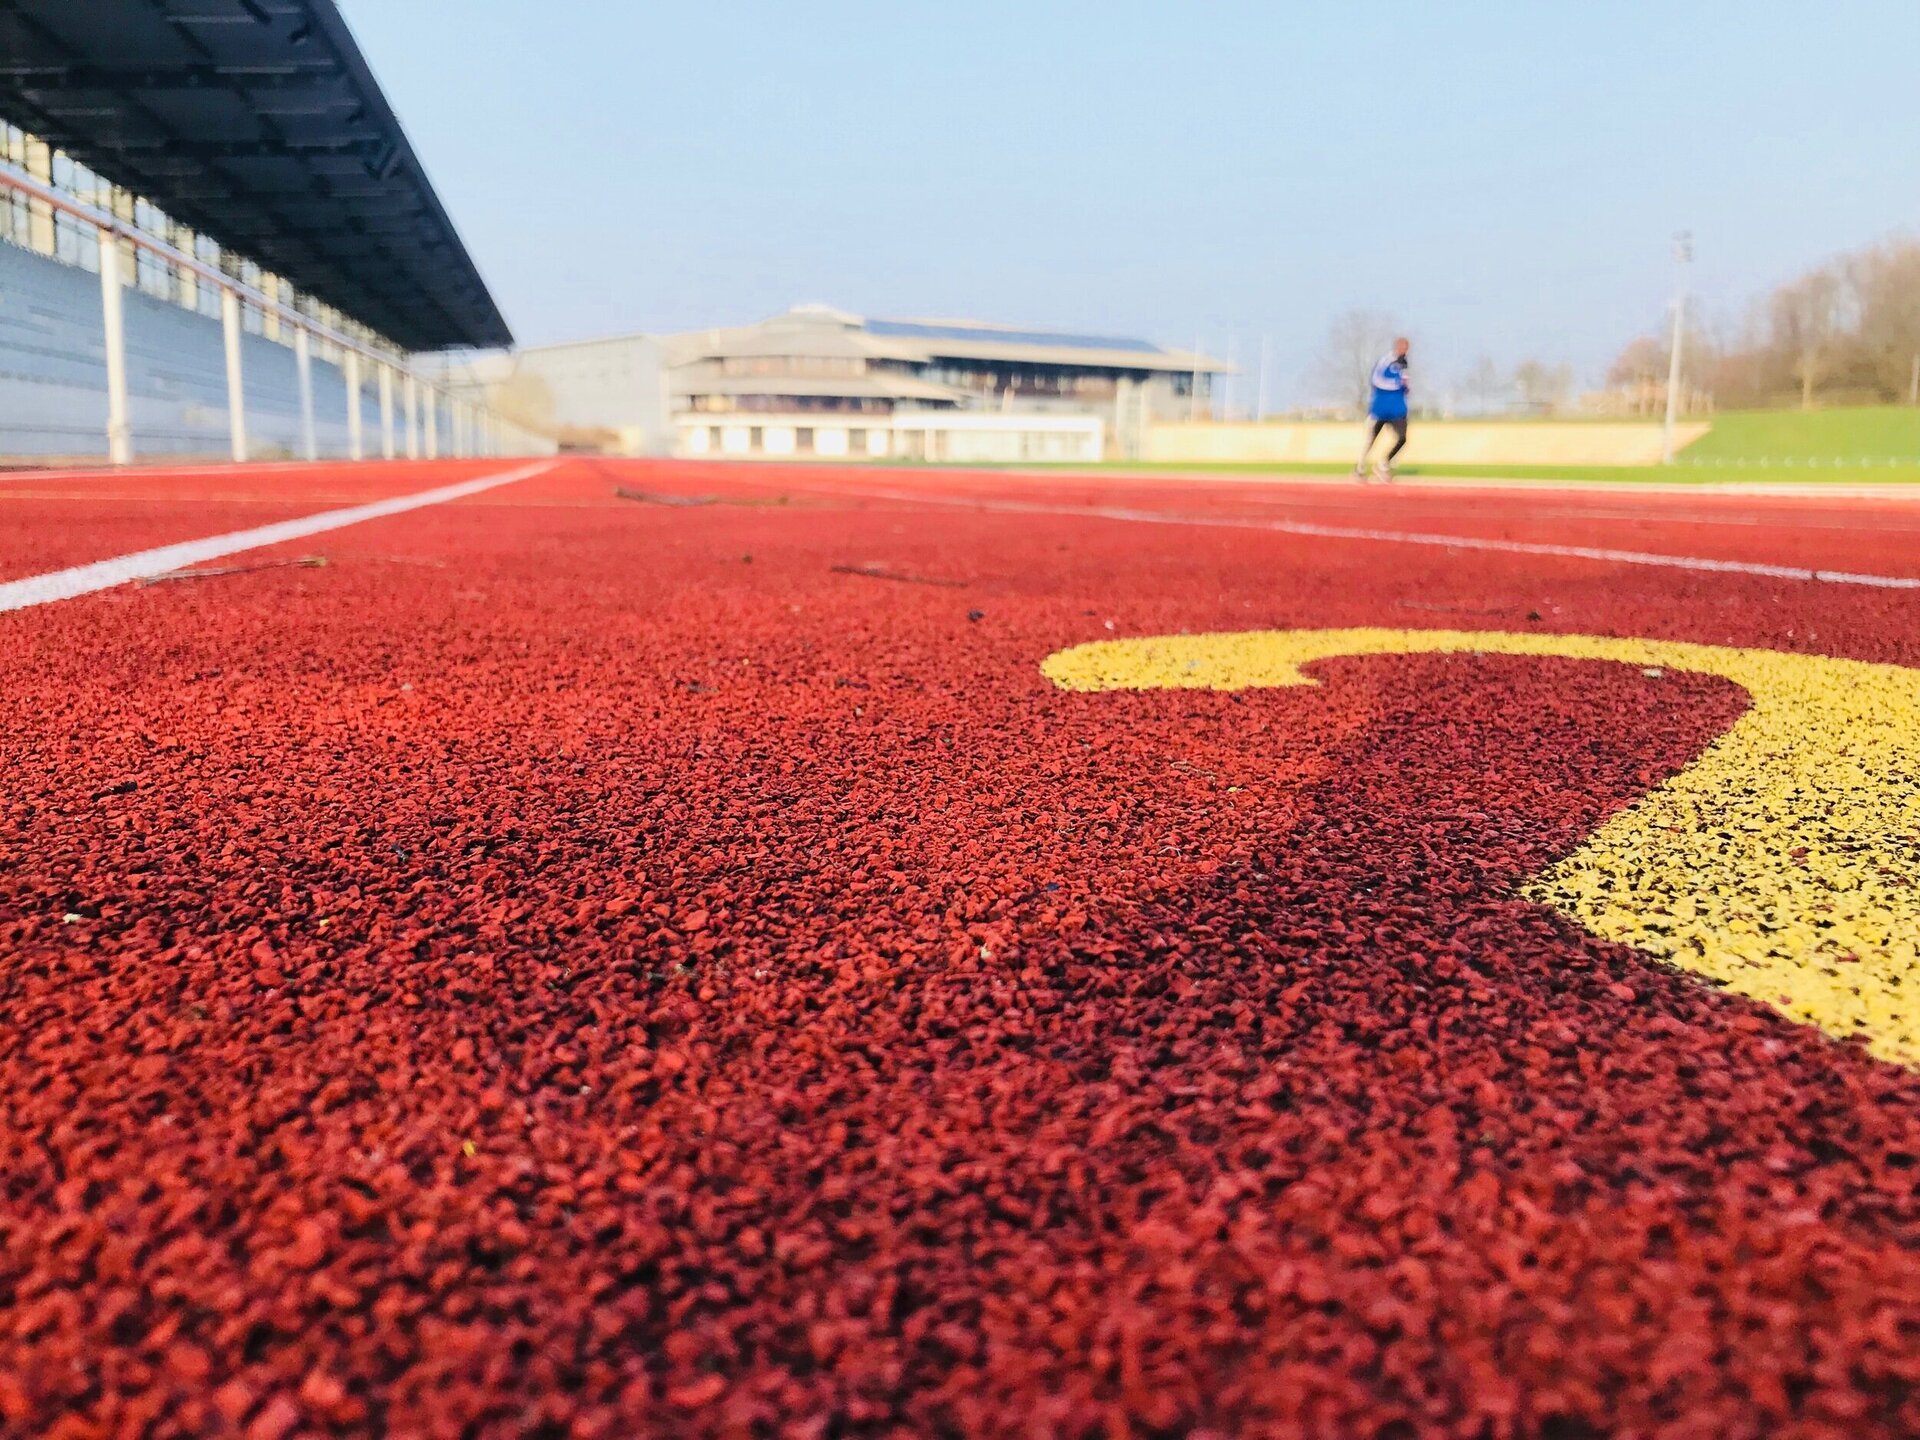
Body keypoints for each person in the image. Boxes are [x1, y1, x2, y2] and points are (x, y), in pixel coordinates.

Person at [1353, 337, 1411, 482]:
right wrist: (1396, 384)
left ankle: (1383, 464)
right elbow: (1375, 380)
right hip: (1380, 408)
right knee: (1370, 439)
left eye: (1406, 348)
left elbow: (1404, 383)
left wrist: (1405, 387)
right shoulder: (1386, 361)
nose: (1404, 351)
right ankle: (1359, 468)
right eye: (1402, 347)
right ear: (1397, 347)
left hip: (1397, 409)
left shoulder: (1404, 364)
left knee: (1402, 438)